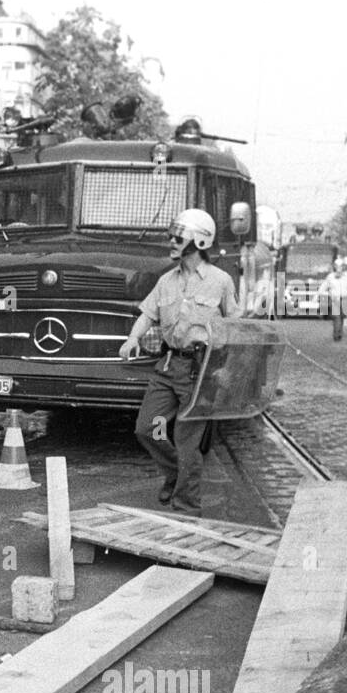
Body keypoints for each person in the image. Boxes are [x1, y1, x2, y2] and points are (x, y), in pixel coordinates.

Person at [119, 208, 239, 515]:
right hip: (168, 365)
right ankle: (177, 474)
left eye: (178, 237)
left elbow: (234, 327)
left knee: (187, 443)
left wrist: (225, 367)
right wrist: (133, 338)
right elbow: (148, 314)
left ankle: (187, 508)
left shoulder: (220, 282)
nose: (171, 242)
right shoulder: (166, 281)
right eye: (172, 236)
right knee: (148, 429)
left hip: (199, 372)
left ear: (199, 242)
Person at [320, 259, 347, 341]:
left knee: (342, 317)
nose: (339, 268)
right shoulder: (330, 277)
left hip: (345, 299)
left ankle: (339, 332)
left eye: (341, 267)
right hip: (334, 299)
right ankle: (336, 335)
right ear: (335, 267)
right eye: (337, 267)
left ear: (343, 267)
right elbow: (324, 286)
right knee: (336, 317)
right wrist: (318, 295)